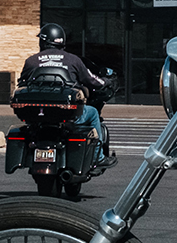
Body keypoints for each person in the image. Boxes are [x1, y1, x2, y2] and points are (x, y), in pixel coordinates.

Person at [19, 24, 113, 169]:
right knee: (93, 112)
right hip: (67, 115)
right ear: (61, 41)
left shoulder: (31, 61)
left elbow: (22, 83)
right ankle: (98, 157)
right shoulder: (73, 60)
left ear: (43, 41)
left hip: (37, 116)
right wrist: (107, 81)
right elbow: (93, 80)